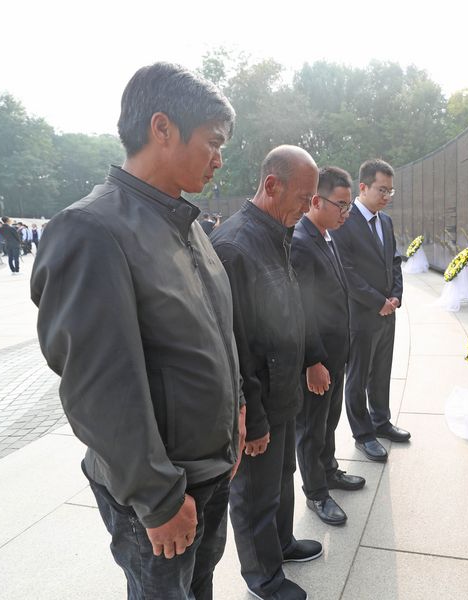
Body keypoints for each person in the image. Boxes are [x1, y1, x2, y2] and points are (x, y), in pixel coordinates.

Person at [30, 62, 244, 600]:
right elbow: (98, 388)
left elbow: (218, 336)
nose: (219, 159)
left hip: (207, 471)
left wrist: (237, 414)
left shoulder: (185, 224)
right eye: (213, 142)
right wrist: (158, 498)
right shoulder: (91, 229)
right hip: (162, 491)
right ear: (162, 128)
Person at [210, 145, 320, 600]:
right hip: (259, 398)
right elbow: (236, 347)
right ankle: (263, 577)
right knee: (255, 492)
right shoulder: (235, 246)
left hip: (283, 388)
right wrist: (253, 419)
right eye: (303, 198)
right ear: (272, 185)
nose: (307, 208)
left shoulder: (277, 233)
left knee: (281, 476)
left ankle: (283, 543)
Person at [291, 166, 365, 526]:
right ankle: (316, 492)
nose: (346, 213)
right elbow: (302, 310)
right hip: (318, 359)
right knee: (311, 426)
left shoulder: (325, 235)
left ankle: (329, 470)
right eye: (341, 205)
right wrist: (313, 361)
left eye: (349, 205)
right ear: (316, 201)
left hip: (336, 353)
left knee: (329, 420)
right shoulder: (301, 242)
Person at [331, 159, 409, 462]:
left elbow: (394, 261)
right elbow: (347, 272)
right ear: (362, 187)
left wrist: (396, 296)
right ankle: (363, 434)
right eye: (382, 190)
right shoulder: (344, 221)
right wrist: (378, 302)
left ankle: (381, 421)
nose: (387, 196)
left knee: (382, 370)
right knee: (358, 376)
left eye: (390, 191)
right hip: (361, 315)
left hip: (388, 312)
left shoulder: (385, 221)